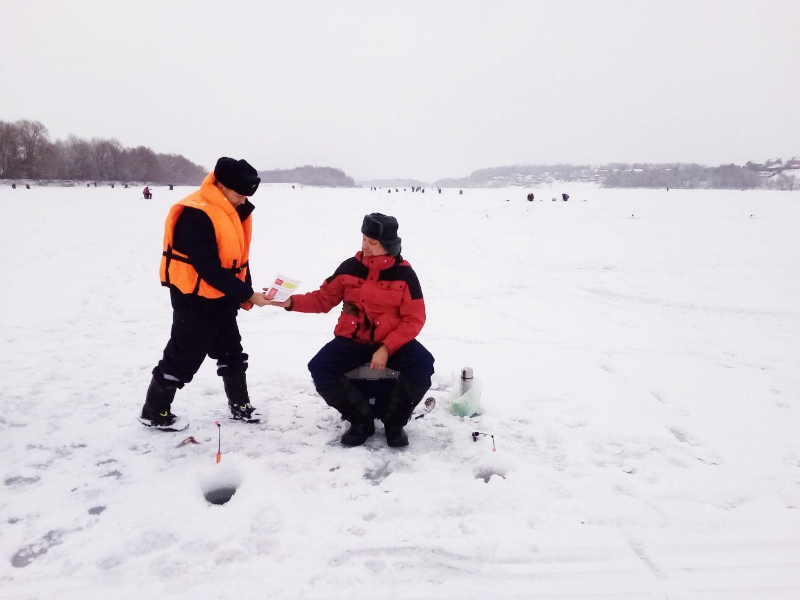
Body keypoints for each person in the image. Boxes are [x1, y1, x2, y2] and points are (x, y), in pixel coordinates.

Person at [268, 213, 434, 448]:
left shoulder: (405, 275)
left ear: (388, 245)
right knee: (320, 367)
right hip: (353, 340)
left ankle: (394, 423)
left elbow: (414, 318)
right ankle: (360, 421)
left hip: (391, 341)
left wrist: (387, 348)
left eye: (372, 242)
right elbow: (323, 299)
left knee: (423, 364)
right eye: (364, 238)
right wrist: (290, 302)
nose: (365, 245)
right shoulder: (349, 268)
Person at [140, 157, 270, 429]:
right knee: (182, 357)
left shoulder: (228, 210)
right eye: (239, 194)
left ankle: (240, 405)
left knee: (232, 352)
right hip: (193, 300)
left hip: (221, 299)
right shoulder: (196, 214)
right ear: (221, 186)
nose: (243, 201)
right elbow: (208, 268)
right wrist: (247, 293)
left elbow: (237, 260)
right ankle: (154, 412)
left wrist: (248, 291)